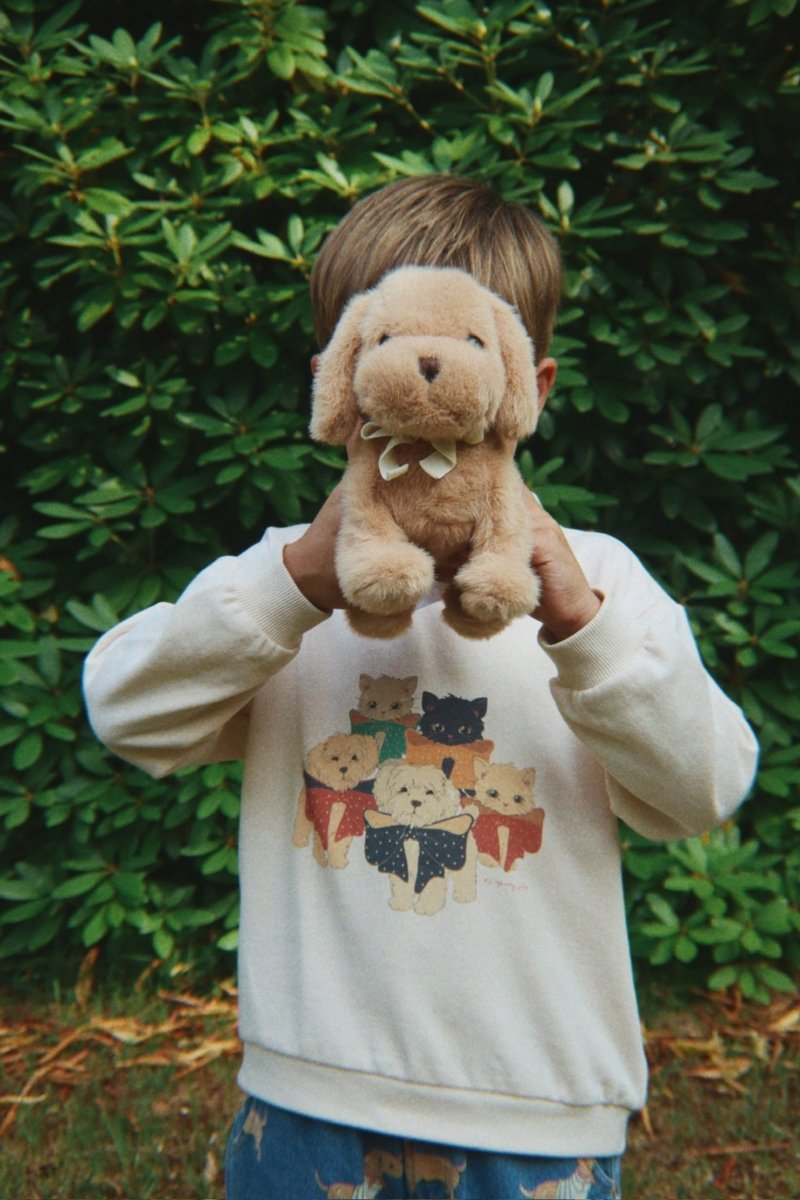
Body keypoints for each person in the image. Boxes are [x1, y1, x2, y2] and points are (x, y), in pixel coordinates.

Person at [83, 175, 758, 1200]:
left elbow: (703, 789)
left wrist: (581, 625)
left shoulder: (597, 584)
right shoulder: (284, 586)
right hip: (310, 1102)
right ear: (338, 377)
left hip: (537, 1109)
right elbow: (128, 711)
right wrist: (295, 582)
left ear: (530, 383)